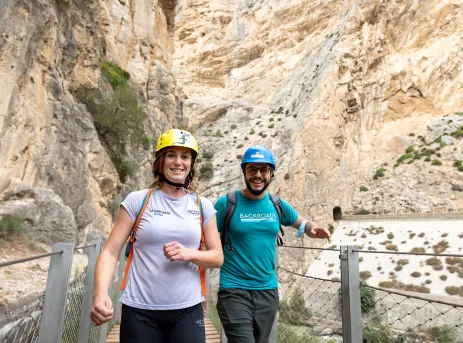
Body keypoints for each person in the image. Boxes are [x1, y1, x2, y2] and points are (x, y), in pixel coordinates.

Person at [90, 129, 223, 343]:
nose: (178, 162)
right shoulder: (138, 201)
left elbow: (217, 257)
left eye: (185, 156)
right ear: (160, 161)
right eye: (171, 154)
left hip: (188, 310)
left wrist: (187, 253)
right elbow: (111, 251)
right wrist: (100, 294)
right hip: (140, 310)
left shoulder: (202, 206)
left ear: (191, 164)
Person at [214, 145, 331, 343]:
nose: (258, 175)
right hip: (233, 289)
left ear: (271, 173)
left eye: (263, 170)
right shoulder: (227, 203)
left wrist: (313, 229)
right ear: (244, 171)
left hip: (267, 291)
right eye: (252, 169)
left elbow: (301, 222)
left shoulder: (277, 205)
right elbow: (208, 241)